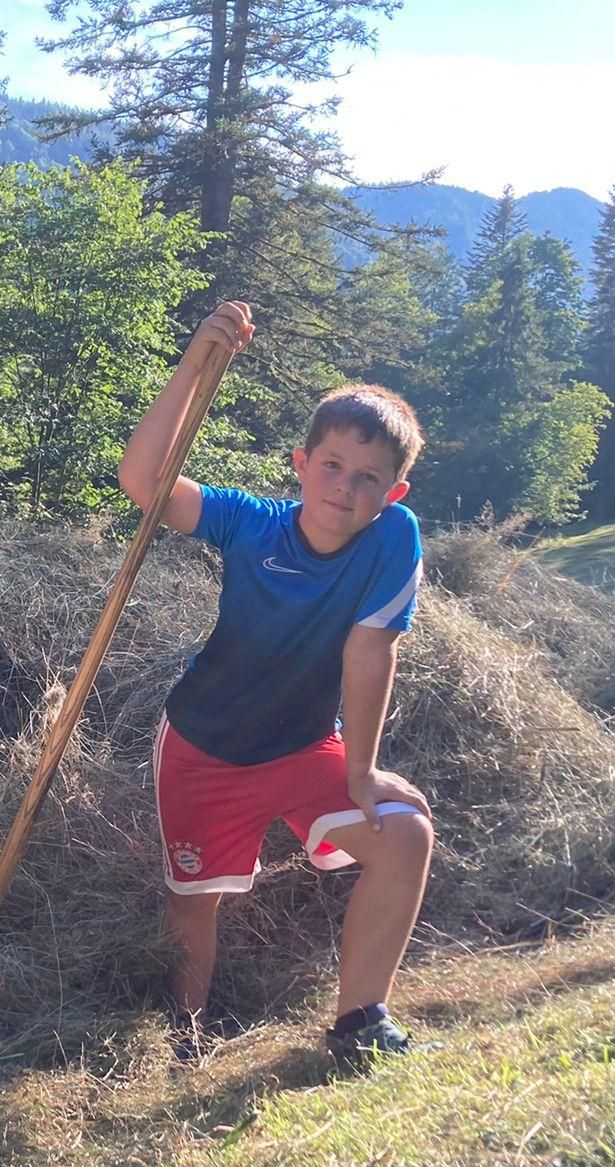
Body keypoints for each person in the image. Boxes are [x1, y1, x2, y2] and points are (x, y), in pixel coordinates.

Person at [118, 301, 436, 1066]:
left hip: (303, 751)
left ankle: (360, 1022)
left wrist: (361, 773)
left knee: (405, 837)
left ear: (393, 494)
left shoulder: (393, 538)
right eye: (332, 466)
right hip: (203, 751)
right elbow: (142, 480)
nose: (345, 488)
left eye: (368, 478)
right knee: (194, 904)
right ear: (301, 463)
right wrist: (197, 362)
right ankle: (184, 1041)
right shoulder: (251, 524)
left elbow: (369, 654)